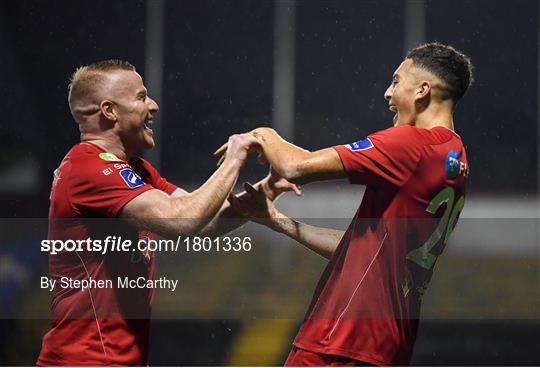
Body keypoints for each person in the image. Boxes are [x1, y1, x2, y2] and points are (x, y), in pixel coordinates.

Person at [222, 42, 473, 366]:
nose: (387, 93)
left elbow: (295, 166)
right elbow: (369, 250)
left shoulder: (412, 145)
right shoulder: (457, 159)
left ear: (423, 90)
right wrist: (277, 220)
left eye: (396, 81)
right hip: (385, 346)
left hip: (341, 339)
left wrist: (262, 133)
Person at [37, 59, 299, 366]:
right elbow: (180, 222)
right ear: (109, 111)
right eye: (140, 96)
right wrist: (235, 158)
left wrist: (265, 191)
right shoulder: (89, 168)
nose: (154, 105)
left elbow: (203, 222)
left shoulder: (135, 169)